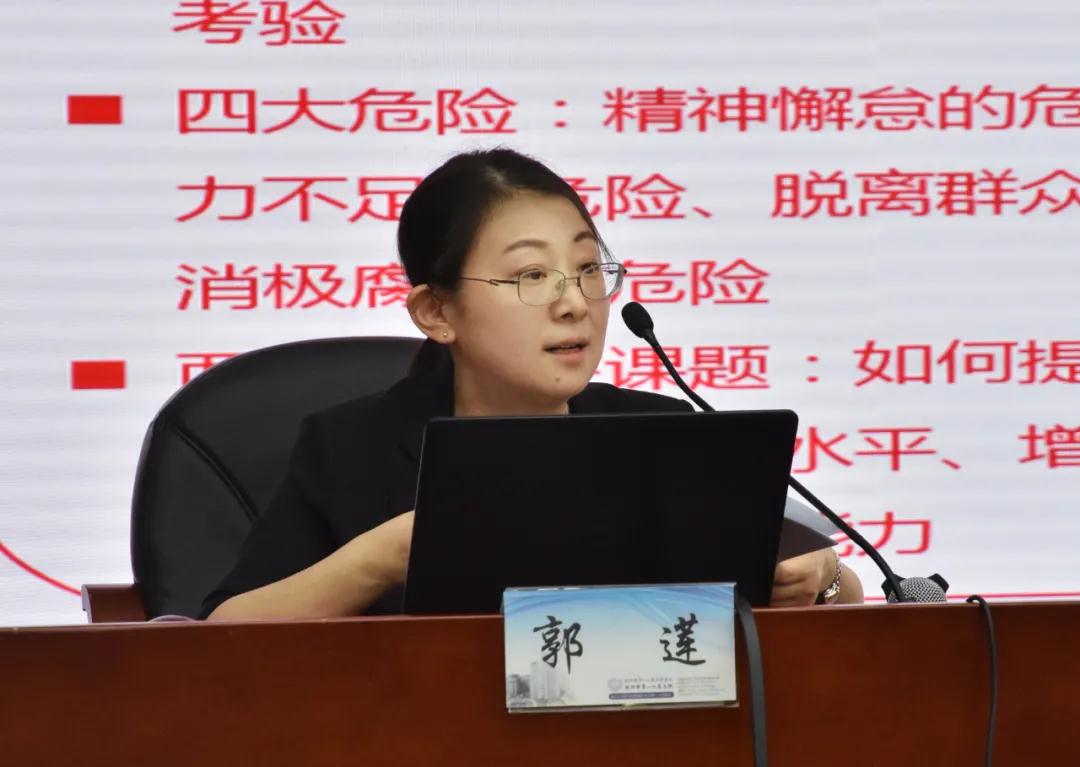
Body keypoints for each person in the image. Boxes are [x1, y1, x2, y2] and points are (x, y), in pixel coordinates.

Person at [201, 148, 863, 621]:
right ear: (437, 312)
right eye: (531, 276)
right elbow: (222, 632)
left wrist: (827, 579)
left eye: (587, 268)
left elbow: (824, 587)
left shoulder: (662, 433)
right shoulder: (352, 448)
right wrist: (384, 555)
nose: (574, 303)